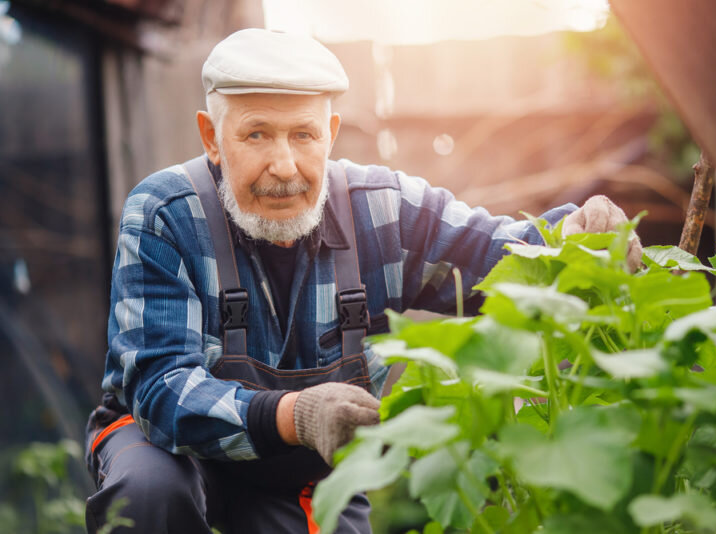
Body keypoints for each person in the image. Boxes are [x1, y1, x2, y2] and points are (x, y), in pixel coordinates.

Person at [83, 28, 642, 534]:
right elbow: (161, 392)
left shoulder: (380, 210)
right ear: (211, 136)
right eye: (256, 135)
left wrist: (575, 236)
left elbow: (497, 256)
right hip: (164, 449)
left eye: (303, 136)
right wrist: (295, 414)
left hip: (292, 474)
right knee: (149, 497)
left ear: (330, 134)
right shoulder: (166, 214)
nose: (284, 166)